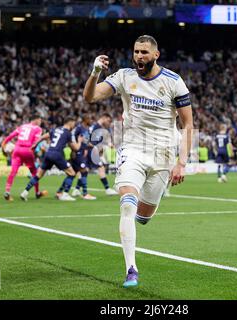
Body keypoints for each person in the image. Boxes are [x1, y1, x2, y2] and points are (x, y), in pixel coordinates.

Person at [83, 35, 193, 288]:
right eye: (136, 52)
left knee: (143, 216)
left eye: (144, 52)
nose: (139, 56)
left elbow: (188, 124)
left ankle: (150, 200)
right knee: (127, 205)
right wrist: (94, 73)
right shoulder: (124, 76)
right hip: (132, 149)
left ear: (156, 54)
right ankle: (131, 268)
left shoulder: (174, 82)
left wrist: (182, 162)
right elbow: (91, 97)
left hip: (163, 155)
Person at [20, 117, 79, 202]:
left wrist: (35, 144)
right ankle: (65, 194)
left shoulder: (55, 129)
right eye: (74, 123)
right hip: (57, 154)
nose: (74, 125)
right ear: (70, 122)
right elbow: (74, 148)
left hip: (48, 153)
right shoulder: (68, 133)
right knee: (72, 174)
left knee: (38, 175)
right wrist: (80, 142)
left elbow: (43, 137)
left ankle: (24, 192)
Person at [1, 114, 46, 201]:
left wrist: (4, 143)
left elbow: (11, 135)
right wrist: (36, 151)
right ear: (36, 120)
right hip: (27, 150)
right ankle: (37, 193)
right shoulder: (38, 129)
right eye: (40, 120)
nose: (40, 122)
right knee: (35, 173)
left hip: (17, 150)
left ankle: (7, 191)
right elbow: (35, 142)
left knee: (13, 171)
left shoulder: (23, 126)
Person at [72, 113, 117, 197]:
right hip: (91, 150)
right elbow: (88, 138)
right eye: (108, 120)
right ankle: (107, 189)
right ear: (104, 118)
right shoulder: (95, 126)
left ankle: (77, 189)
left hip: (89, 149)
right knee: (101, 167)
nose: (108, 122)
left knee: (86, 170)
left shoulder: (96, 127)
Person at [68, 116, 97, 200]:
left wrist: (88, 148)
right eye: (90, 119)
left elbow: (85, 142)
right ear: (85, 120)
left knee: (73, 173)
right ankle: (85, 193)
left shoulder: (86, 129)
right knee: (84, 172)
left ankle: (62, 191)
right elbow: (72, 139)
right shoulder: (78, 128)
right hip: (77, 153)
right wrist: (73, 150)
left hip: (82, 153)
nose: (91, 120)